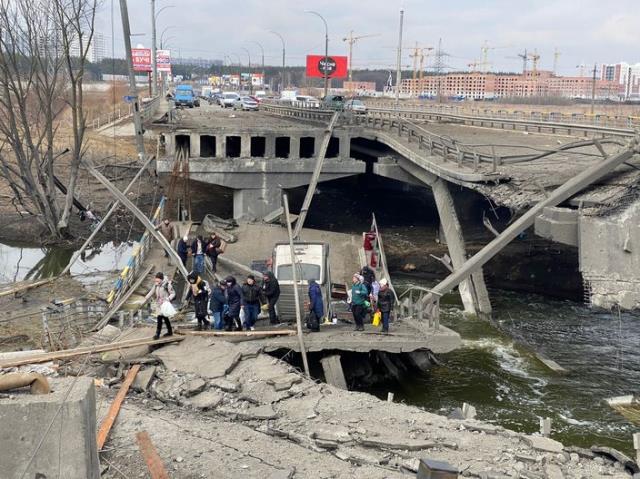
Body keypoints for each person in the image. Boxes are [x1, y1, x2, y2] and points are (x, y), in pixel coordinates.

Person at [144, 272, 176, 339]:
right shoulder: (156, 285)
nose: (156, 282)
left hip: (165, 303)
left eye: (158, 281)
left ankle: (157, 334)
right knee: (165, 318)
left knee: (159, 318)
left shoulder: (167, 285)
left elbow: (173, 293)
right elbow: (152, 291)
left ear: (162, 279)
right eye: (155, 280)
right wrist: (146, 297)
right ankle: (169, 331)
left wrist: (168, 298)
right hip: (158, 304)